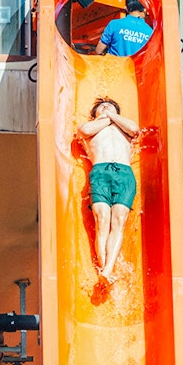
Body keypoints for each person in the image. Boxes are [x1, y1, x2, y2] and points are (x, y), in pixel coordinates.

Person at [79, 97, 140, 280]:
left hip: (124, 173)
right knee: (102, 220)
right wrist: (107, 117)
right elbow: (84, 130)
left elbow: (134, 129)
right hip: (100, 172)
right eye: (101, 107)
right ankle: (104, 268)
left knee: (119, 221)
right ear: (95, 114)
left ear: (117, 112)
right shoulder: (92, 127)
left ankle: (108, 269)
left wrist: (112, 116)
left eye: (110, 106)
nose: (105, 107)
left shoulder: (125, 128)